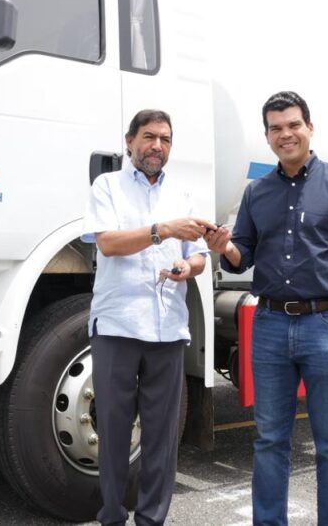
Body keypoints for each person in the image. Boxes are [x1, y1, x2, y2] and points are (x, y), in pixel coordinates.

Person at [205, 91, 328, 526]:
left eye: (293, 125)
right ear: (267, 136)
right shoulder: (258, 192)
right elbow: (244, 255)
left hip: (327, 324)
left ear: (309, 127)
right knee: (269, 440)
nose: (285, 134)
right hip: (268, 324)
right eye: (275, 128)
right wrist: (224, 246)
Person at [82, 109, 213, 526]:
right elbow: (108, 243)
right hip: (119, 325)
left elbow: (200, 257)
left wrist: (188, 267)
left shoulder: (184, 193)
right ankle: (112, 517)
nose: (158, 145)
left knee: (162, 438)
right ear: (129, 141)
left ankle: (152, 519)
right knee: (115, 434)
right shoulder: (108, 186)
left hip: (168, 328)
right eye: (149, 136)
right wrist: (163, 230)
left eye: (166, 139)